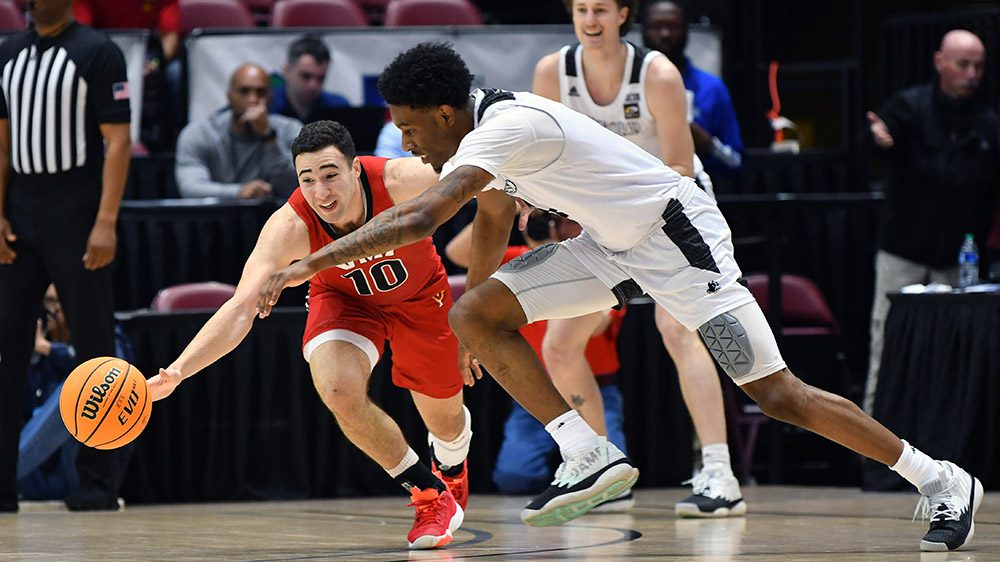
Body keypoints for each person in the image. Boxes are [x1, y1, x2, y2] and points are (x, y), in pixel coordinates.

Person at [258, 43, 984, 551]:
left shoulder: (507, 126)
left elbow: (420, 218)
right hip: (613, 246)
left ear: (445, 112)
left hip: (679, 238)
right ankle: (589, 455)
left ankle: (940, 478)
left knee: (777, 394)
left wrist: (308, 264)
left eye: (412, 129)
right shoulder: (481, 136)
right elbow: (492, 215)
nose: (409, 145)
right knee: (473, 311)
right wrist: (476, 318)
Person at [149, 121, 471, 550]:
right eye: (308, 179)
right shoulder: (289, 225)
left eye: (331, 174)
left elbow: (482, 174)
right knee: (337, 388)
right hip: (344, 300)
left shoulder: (402, 179)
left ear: (356, 168)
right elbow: (241, 308)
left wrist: (527, 202)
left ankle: (451, 463)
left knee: (446, 425)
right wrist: (178, 371)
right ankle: (428, 494)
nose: (321, 192)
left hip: (419, 298)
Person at [533, 0, 743, 517]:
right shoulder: (552, 72)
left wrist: (615, 215)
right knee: (560, 344)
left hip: (674, 212)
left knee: (679, 329)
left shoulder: (657, 73)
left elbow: (680, 167)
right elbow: (542, 159)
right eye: (581, 9)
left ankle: (719, 473)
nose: (590, 19)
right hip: (604, 219)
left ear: (623, 13)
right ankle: (603, 471)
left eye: (600, 9)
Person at [0, 0, 132, 512]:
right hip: (20, 214)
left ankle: (99, 483)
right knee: (8, 351)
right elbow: (3, 143)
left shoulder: (98, 51)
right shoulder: (8, 52)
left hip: (76, 213)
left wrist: (105, 221)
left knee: (95, 349)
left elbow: (117, 142)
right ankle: (2, 485)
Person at [445, 213, 630, 506]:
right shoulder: (520, 265)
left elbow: (598, 328)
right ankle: (571, 469)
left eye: (559, 218)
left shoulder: (595, 270)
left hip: (594, 388)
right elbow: (456, 251)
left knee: (617, 479)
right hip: (535, 391)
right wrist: (508, 209)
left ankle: (597, 463)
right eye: (548, 219)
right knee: (514, 477)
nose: (553, 224)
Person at [863, 29, 998, 415]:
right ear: (940, 62)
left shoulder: (986, 123)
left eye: (979, 66)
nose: (972, 74)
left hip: (958, 259)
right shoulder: (910, 106)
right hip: (903, 251)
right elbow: (873, 144)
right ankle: (873, 449)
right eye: (963, 64)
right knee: (886, 344)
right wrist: (876, 139)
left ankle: (944, 449)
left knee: (952, 356)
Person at [19, 285, 134, 502]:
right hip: (35, 475)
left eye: (56, 302)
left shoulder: (106, 334)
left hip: (79, 469)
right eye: (46, 303)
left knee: (80, 390)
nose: (50, 311)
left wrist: (49, 349)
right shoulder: (34, 343)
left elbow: (116, 373)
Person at [642, 0, 743, 179]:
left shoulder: (711, 88)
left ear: (687, 31)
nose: (665, 34)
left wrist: (707, 144)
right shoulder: (627, 84)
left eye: (673, 26)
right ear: (643, 31)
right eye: (656, 26)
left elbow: (736, 161)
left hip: (700, 188)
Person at [175, 63, 301, 200]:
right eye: (244, 91)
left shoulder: (290, 130)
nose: (253, 99)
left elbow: (300, 187)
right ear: (229, 96)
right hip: (216, 218)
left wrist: (269, 137)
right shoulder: (200, 133)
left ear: (270, 98)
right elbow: (191, 188)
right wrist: (239, 192)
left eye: (261, 92)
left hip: (273, 218)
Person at [73, 0, 181, 151]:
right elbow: (81, 35)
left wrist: (155, 63)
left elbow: (170, 35)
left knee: (175, 74)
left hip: (146, 56)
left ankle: (168, 146)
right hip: (100, 56)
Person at [270, 35, 350, 124]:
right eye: (306, 76)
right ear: (286, 71)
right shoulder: (268, 105)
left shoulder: (339, 108)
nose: (313, 85)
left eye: (320, 78)